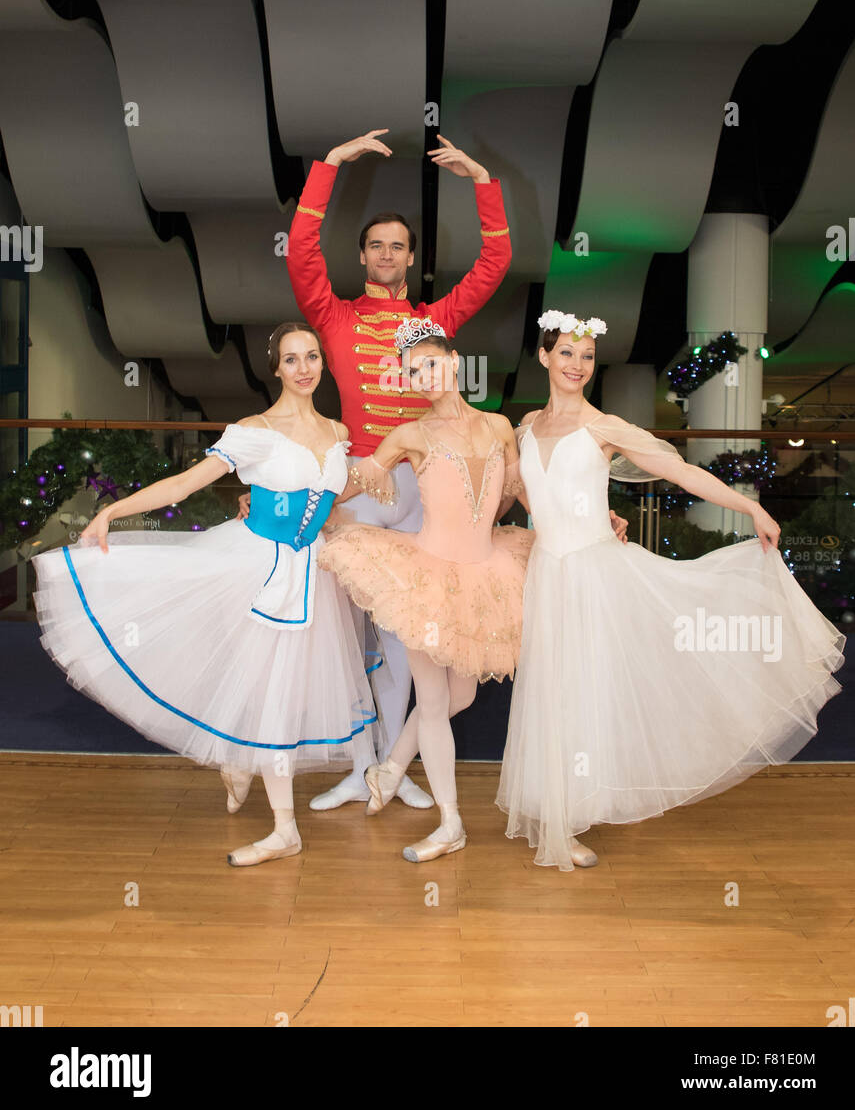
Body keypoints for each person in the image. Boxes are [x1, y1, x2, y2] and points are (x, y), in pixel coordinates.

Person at [495, 310, 846, 872]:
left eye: (586, 356)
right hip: (549, 572)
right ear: (543, 356)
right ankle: (550, 808)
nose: (576, 365)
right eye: (565, 353)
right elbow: (531, 497)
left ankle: (572, 815)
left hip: (594, 575)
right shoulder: (526, 428)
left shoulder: (604, 427)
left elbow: (680, 472)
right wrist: (594, 511)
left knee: (585, 689)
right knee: (549, 687)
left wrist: (749, 505)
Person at [31, 324, 377, 868]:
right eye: (292, 360)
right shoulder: (254, 431)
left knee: (282, 693)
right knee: (266, 693)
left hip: (313, 576)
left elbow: (331, 495)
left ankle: (240, 764)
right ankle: (284, 827)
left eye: (312, 356)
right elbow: (184, 486)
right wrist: (109, 512)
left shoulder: (337, 431)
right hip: (255, 567)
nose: (305, 368)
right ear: (277, 369)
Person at [281, 127, 514, 813]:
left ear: (412, 258)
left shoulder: (430, 324)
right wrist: (328, 167)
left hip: (422, 493)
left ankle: (390, 765)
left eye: (398, 246)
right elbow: (300, 252)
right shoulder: (335, 317)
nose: (386, 255)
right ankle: (358, 766)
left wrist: (482, 181)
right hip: (358, 483)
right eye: (376, 245)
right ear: (362, 256)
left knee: (406, 637)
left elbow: (493, 264)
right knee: (345, 635)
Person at [317, 316, 533, 861]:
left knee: (460, 695)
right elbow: (355, 481)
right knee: (435, 701)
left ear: (455, 363)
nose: (423, 377)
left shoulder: (500, 427)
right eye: (413, 372)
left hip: (486, 573)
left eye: (431, 364)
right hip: (426, 578)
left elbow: (524, 493)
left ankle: (390, 769)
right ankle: (451, 823)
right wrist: (296, 507)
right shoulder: (411, 436)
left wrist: (592, 520)